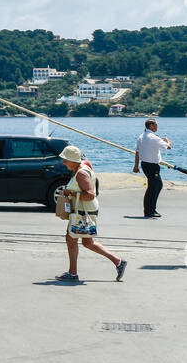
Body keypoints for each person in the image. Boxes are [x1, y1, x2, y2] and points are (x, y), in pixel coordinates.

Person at [56, 145, 127, 283]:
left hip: (83, 211)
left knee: (71, 239)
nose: (63, 162)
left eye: (66, 160)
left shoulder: (81, 173)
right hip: (86, 210)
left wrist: (70, 193)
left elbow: (89, 195)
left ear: (73, 160)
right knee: (87, 242)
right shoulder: (82, 166)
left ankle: (73, 273)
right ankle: (118, 262)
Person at [134, 119, 171, 218]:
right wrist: (167, 140)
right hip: (152, 165)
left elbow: (137, 152)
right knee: (154, 187)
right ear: (150, 126)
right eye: (155, 125)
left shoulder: (141, 137)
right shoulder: (153, 137)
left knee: (156, 186)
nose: (157, 126)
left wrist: (136, 165)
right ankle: (149, 210)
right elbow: (168, 147)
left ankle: (150, 209)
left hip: (145, 164)